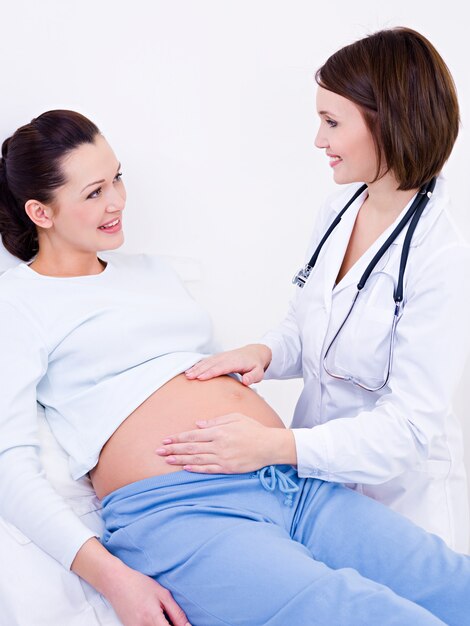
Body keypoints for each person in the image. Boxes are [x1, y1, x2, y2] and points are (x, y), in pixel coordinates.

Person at [1, 110, 470, 626]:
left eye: (118, 177)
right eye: (94, 192)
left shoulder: (154, 273)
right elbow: (10, 468)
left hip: (292, 479)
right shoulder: (18, 302)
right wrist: (114, 578)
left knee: (453, 584)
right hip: (181, 513)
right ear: (40, 213)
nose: (117, 201)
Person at [164, 26, 470, 553]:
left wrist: (273, 446)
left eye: (331, 122)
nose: (318, 140)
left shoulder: (441, 256)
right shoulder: (341, 209)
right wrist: (263, 351)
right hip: (317, 493)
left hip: (398, 506)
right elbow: (308, 325)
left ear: (388, 122)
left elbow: (410, 429)